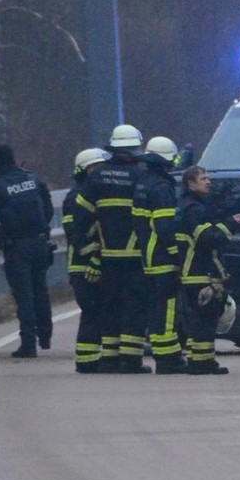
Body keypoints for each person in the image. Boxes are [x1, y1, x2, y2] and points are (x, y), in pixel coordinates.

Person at [69, 125, 150, 373]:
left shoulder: (96, 176)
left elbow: (77, 219)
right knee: (134, 309)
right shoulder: (140, 177)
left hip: (106, 258)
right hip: (135, 258)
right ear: (135, 149)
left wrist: (89, 250)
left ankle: (110, 359)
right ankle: (131, 361)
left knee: (110, 308)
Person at [0, 144, 54, 358]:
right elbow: (47, 208)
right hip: (40, 242)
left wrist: (2, 243)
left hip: (17, 246)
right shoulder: (34, 179)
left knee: (24, 296)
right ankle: (46, 336)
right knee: (40, 290)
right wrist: (42, 230)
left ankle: (28, 344)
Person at [177, 165, 240, 375]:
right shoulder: (193, 209)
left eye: (208, 178)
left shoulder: (196, 206)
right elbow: (209, 239)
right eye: (203, 178)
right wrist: (230, 224)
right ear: (190, 183)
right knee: (202, 321)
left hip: (202, 273)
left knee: (206, 321)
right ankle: (199, 363)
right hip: (199, 275)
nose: (208, 182)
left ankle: (204, 361)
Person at [137, 137, 186, 374]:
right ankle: (168, 360)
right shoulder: (162, 188)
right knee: (167, 309)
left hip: (148, 256)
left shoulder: (143, 183)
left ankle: (164, 354)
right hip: (162, 258)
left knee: (157, 308)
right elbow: (165, 227)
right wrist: (177, 254)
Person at [63, 148, 111, 373]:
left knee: (98, 311)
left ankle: (91, 358)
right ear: (84, 170)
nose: (101, 172)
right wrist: (93, 256)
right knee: (92, 310)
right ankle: (87, 360)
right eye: (96, 168)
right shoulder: (77, 197)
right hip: (82, 265)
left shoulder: (95, 192)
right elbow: (73, 232)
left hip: (96, 262)